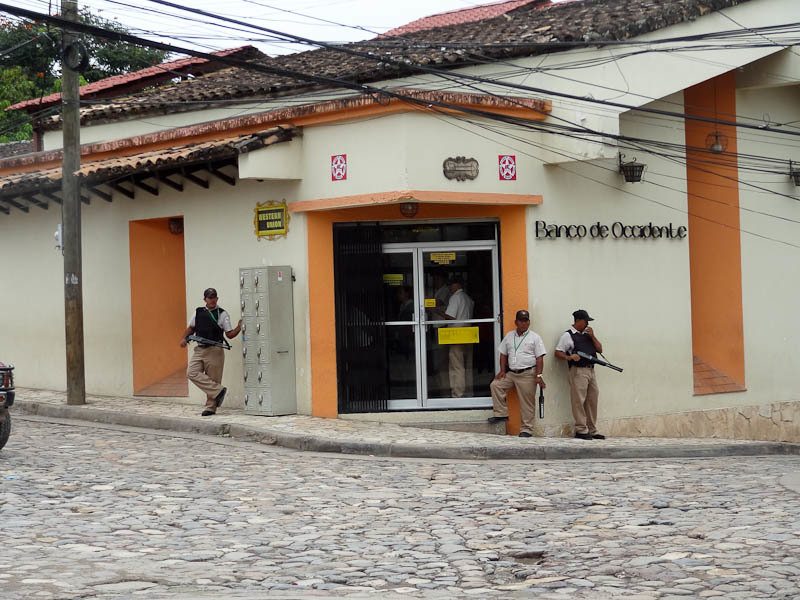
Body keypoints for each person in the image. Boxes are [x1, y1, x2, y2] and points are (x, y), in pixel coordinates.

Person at [180, 287, 242, 416]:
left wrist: (239, 327)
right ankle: (219, 391)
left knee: (214, 378)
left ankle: (210, 407)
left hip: (215, 350)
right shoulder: (198, 312)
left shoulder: (222, 314)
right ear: (205, 299)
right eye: (210, 298)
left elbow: (229, 334)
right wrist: (183, 338)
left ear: (217, 298)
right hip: (200, 348)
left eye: (214, 297)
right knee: (191, 372)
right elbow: (191, 328)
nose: (212, 300)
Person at [489, 310, 546, 437]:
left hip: (527, 373)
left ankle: (527, 429)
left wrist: (539, 376)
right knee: (496, 385)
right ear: (516, 322)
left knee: (527, 403)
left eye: (526, 320)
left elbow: (540, 358)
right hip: (511, 373)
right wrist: (503, 370)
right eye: (521, 320)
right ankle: (501, 414)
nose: (524, 323)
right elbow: (503, 354)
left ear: (529, 322)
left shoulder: (535, 337)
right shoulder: (509, 336)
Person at [555, 309, 606, 440]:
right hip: (578, 370)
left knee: (592, 399)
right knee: (579, 400)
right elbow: (558, 352)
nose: (587, 324)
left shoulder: (588, 335)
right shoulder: (568, 335)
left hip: (591, 370)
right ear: (578, 321)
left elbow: (600, 349)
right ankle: (581, 429)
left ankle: (592, 429)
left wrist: (593, 336)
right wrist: (570, 357)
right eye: (586, 321)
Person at [442, 276, 474, 398]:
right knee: (467, 366)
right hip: (468, 333)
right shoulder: (467, 297)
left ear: (457, 285)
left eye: (451, 284)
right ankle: (468, 392)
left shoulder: (455, 297)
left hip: (457, 334)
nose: (450, 287)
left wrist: (436, 311)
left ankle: (457, 393)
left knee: (457, 366)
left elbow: (450, 316)